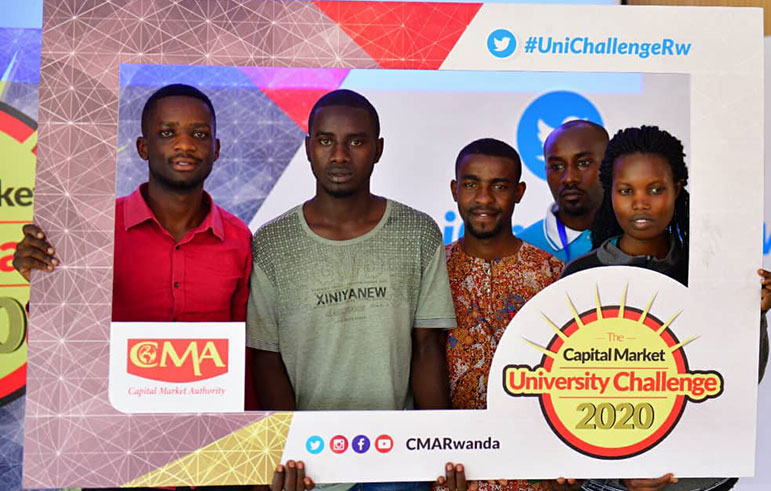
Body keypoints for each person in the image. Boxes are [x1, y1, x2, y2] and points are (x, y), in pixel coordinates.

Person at [13, 83, 257, 490]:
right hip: (112, 453)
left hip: (210, 458)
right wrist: (38, 278)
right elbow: (60, 339)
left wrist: (253, 452)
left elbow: (246, 351)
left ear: (216, 149)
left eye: (199, 134)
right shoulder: (90, 232)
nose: (184, 144)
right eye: (167, 132)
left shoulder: (238, 239)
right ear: (143, 148)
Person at [246, 89, 455, 491]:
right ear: (308, 148)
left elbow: (427, 348)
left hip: (398, 463)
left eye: (355, 142)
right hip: (310, 467)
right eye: (326, 141)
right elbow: (267, 360)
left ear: (378, 150)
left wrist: (439, 452)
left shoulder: (418, 232)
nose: (339, 155)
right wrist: (288, 453)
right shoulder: (271, 243)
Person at [561, 126, 771, 491]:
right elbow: (567, 391)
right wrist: (618, 474)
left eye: (655, 189)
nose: (640, 203)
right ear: (610, 192)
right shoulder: (581, 276)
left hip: (697, 478)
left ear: (678, 188)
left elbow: (739, 380)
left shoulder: (711, 274)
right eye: (626, 190)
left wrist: (755, 313)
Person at [434, 138, 580, 491]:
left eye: (499, 186)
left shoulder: (552, 274)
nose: (484, 199)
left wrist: (565, 463)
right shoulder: (432, 270)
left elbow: (571, 372)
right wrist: (436, 448)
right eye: (472, 184)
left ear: (519, 192)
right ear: (455, 190)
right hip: (453, 468)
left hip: (536, 470)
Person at [517, 121, 608, 263]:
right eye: (557, 166)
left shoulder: (636, 238)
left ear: (609, 165)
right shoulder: (521, 250)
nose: (569, 178)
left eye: (583, 163)